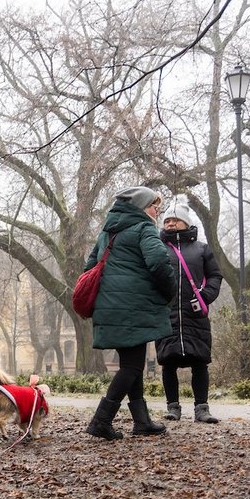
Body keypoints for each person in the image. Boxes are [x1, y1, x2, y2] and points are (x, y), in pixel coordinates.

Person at [85, 186, 175, 440]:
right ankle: (101, 420)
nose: (157, 211)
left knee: (130, 363)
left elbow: (90, 266)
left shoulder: (108, 232)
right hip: (132, 306)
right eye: (155, 206)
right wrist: (169, 293)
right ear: (142, 207)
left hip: (111, 304)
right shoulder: (144, 228)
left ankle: (141, 420)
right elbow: (158, 262)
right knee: (133, 365)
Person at [155, 206, 223, 423]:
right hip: (167, 315)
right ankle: (172, 408)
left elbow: (215, 276)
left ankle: (202, 409)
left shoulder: (201, 249)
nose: (170, 224)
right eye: (167, 221)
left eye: (175, 219)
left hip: (195, 315)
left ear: (186, 222)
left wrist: (205, 297)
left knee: (200, 363)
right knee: (168, 363)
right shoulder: (156, 249)